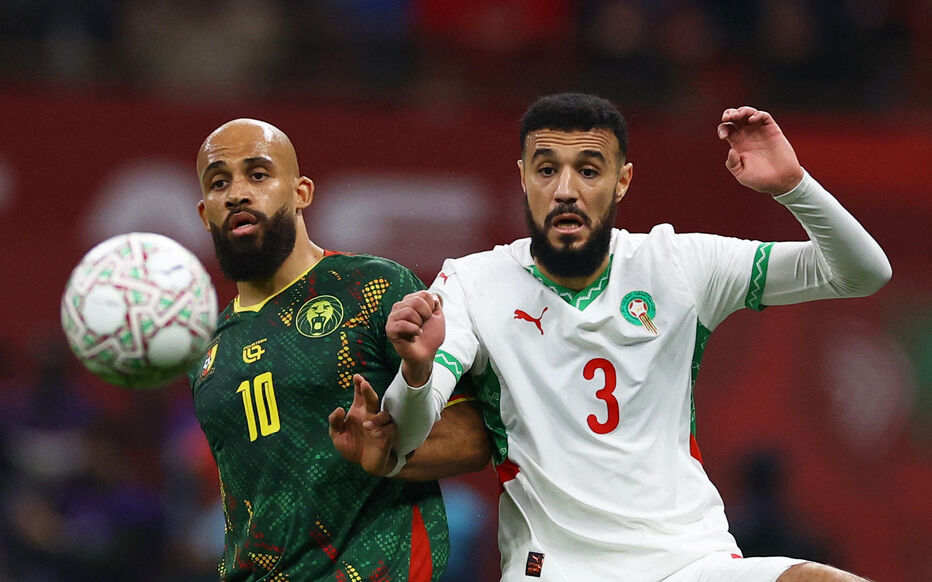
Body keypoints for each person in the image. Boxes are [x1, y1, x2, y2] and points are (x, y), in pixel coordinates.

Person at [335, 94, 891, 581]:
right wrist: (416, 372)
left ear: (622, 179)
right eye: (547, 170)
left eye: (588, 170)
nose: (566, 190)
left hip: (689, 562)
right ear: (524, 177)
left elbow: (861, 273)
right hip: (554, 568)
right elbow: (406, 436)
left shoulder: (679, 264)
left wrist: (794, 187)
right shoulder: (471, 283)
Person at [188, 118, 489, 581]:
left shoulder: (373, 287)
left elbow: (472, 439)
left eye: (258, 174)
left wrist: (389, 454)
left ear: (301, 192)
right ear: (205, 213)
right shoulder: (209, 350)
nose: (237, 194)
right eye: (219, 183)